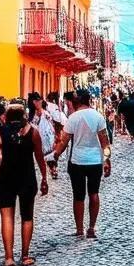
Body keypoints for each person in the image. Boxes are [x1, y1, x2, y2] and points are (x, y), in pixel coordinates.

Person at [0, 98, 48, 266]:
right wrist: (44, 177)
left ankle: (8, 257)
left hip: (7, 176)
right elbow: (39, 157)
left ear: (7, 116)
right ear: (24, 114)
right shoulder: (33, 132)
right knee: (27, 217)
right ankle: (25, 256)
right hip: (27, 176)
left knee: (7, 217)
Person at [54, 87, 111, 239]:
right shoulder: (98, 117)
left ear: (77, 101)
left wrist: (55, 155)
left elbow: (64, 141)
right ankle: (91, 228)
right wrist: (107, 161)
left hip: (77, 161)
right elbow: (105, 143)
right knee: (94, 193)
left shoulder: (73, 118)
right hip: (94, 161)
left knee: (78, 196)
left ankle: (79, 229)